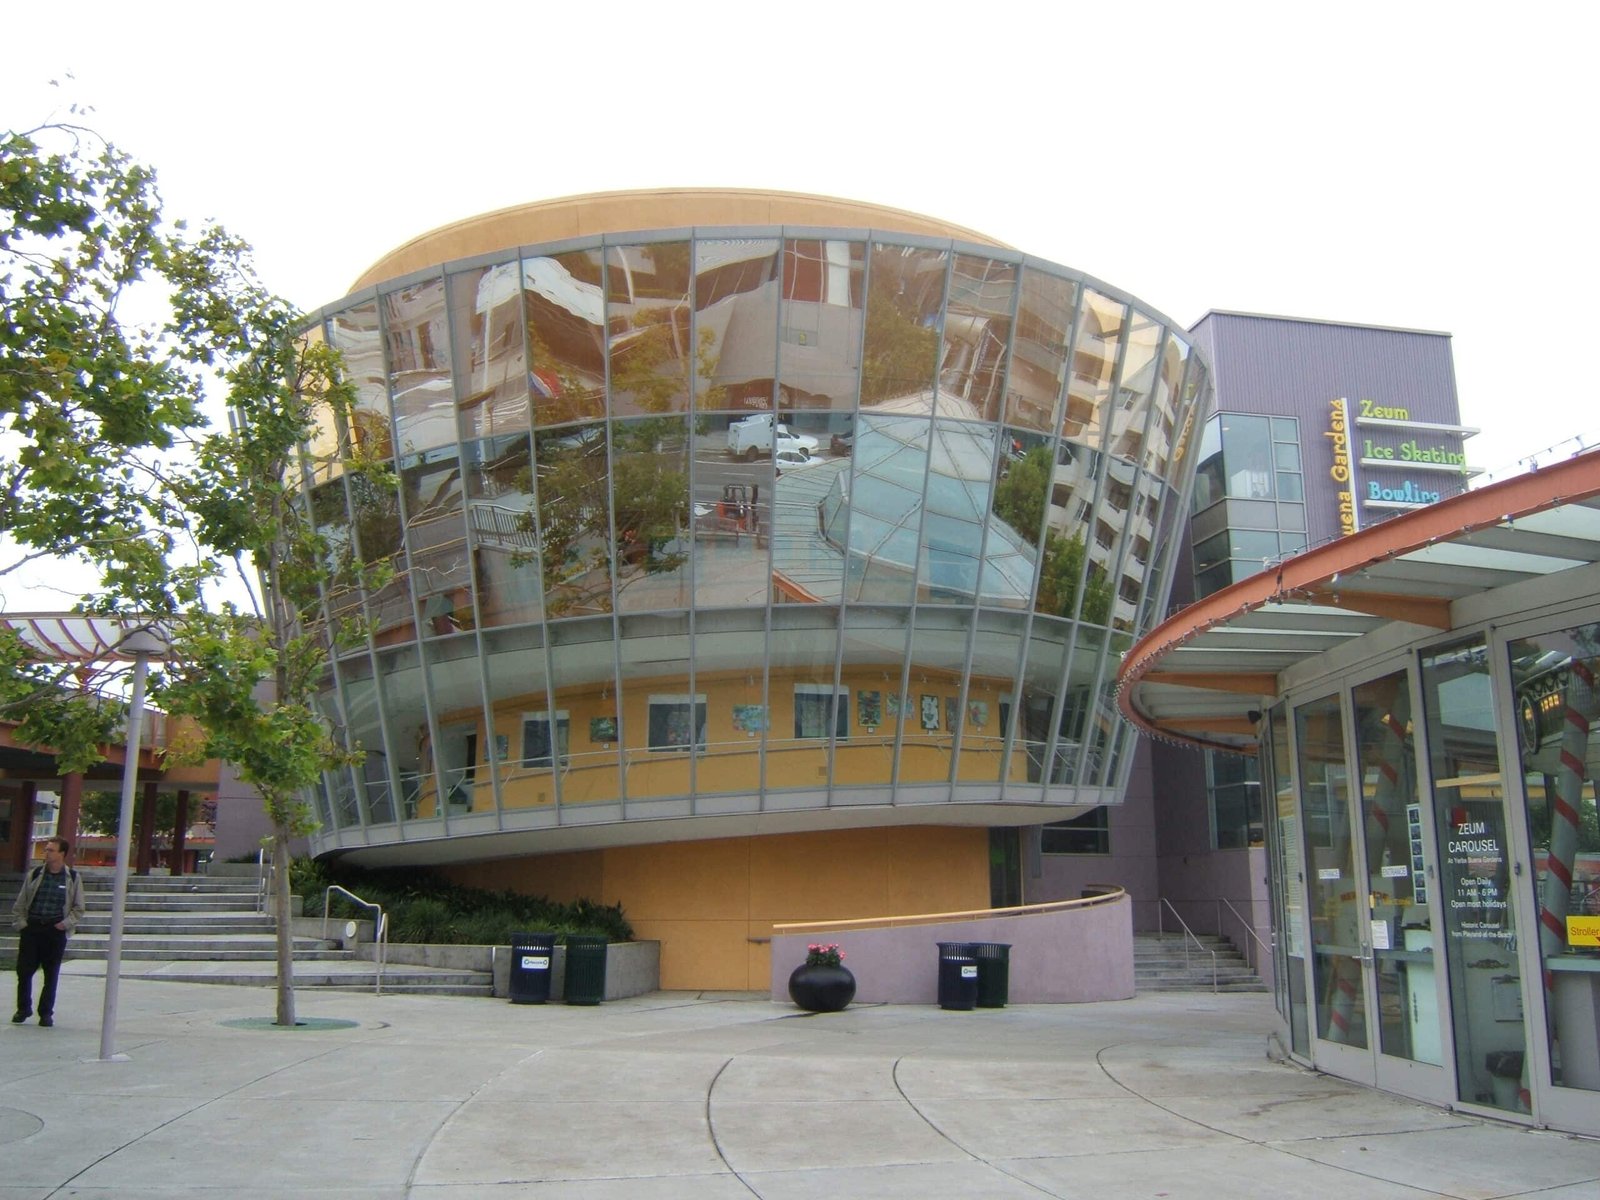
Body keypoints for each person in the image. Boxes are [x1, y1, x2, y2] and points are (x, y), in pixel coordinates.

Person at [12, 837, 87, 1027]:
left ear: (62, 854)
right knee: (24, 971)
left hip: (55, 930)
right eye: (46, 849)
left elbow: (79, 907)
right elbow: (21, 902)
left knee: (51, 973)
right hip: (32, 928)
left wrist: (64, 924)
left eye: (51, 850)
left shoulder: (73, 878)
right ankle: (23, 1008)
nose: (46, 853)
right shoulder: (35, 874)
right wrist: (22, 923)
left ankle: (45, 1013)